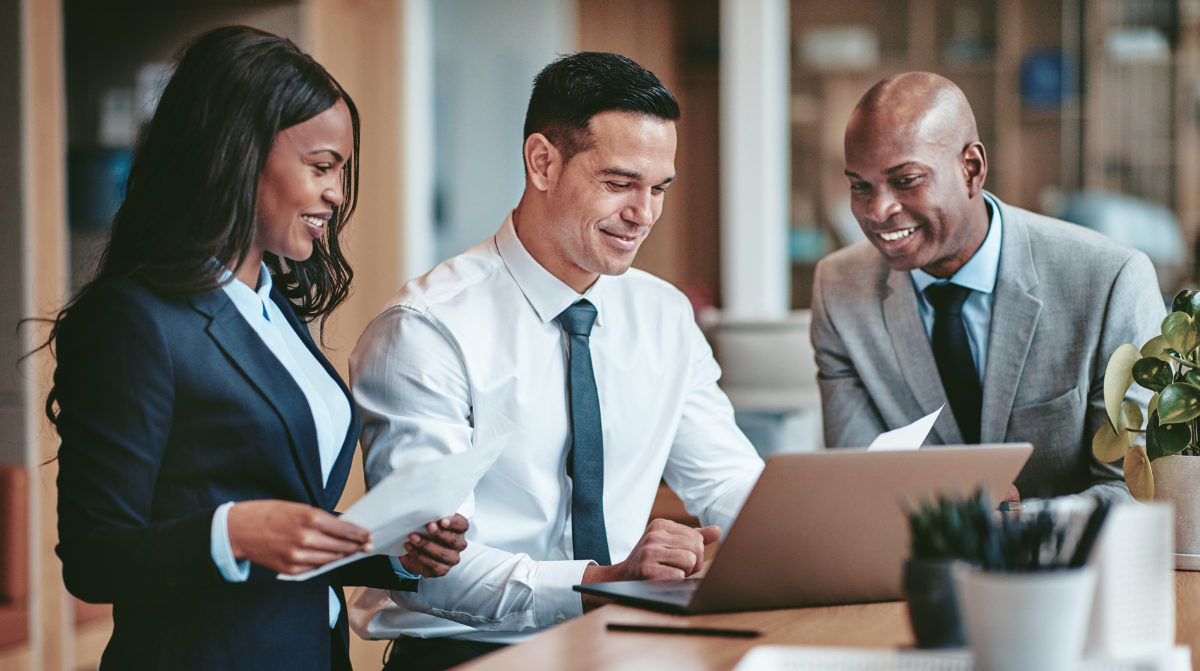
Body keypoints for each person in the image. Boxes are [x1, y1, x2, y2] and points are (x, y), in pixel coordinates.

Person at [50, 26, 468, 671]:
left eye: (341, 171)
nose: (336, 193)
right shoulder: (136, 320)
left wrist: (387, 548)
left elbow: (285, 517)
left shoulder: (272, 308)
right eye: (321, 166)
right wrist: (236, 531)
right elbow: (94, 556)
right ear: (239, 154)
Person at [348, 51, 765, 671]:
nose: (643, 215)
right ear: (543, 161)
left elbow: (727, 480)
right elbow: (433, 570)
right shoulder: (427, 330)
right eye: (619, 184)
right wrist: (605, 579)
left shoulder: (664, 314)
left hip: (628, 650)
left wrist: (811, 537)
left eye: (658, 190)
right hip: (470, 657)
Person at [811, 72, 1164, 501]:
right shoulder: (839, 289)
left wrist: (1017, 525)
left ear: (971, 169)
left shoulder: (1110, 281)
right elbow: (859, 481)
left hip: (1067, 564)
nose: (877, 210)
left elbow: (1132, 490)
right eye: (860, 186)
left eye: (906, 180)